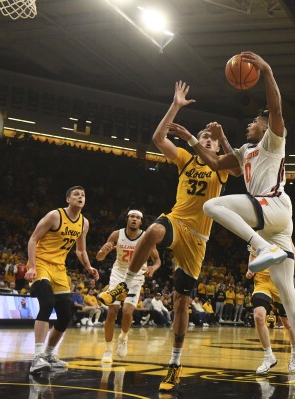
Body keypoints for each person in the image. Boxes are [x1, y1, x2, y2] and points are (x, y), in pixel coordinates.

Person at [166, 51, 295, 397]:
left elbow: (276, 109)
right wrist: (192, 140)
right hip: (276, 220)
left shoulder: (273, 139)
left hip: (273, 207)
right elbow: (217, 162)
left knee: (212, 205)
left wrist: (266, 70)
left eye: (255, 120)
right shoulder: (244, 150)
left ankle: (260, 246)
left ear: (266, 128)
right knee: (287, 291)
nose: (251, 123)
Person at [98, 81, 240, 393]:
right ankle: (124, 283)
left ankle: (174, 364)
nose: (206, 140)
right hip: (176, 220)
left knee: (180, 305)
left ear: (213, 147)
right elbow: (158, 138)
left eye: (209, 140)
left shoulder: (220, 168)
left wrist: (221, 137)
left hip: (197, 238)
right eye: (203, 136)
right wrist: (175, 105)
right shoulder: (186, 161)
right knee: (153, 230)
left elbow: (239, 166)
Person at [25, 186, 99, 373]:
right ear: (67, 199)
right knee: (47, 303)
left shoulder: (84, 223)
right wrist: (32, 266)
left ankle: (49, 355)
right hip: (41, 263)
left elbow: (80, 250)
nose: (80, 197)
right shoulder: (54, 216)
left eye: (83, 195)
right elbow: (33, 239)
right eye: (76, 194)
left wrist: (88, 267)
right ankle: (37, 357)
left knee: (65, 315)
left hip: (59, 268)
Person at [96, 209, 161, 363]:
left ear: (141, 222)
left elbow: (157, 261)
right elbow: (99, 257)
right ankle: (107, 349)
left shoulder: (146, 237)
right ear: (127, 219)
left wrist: (153, 268)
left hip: (136, 277)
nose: (134, 219)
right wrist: (103, 252)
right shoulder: (116, 235)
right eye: (132, 217)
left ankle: (123, 337)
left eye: (137, 218)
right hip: (118, 275)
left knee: (126, 312)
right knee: (112, 311)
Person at [245, 245, 295, 375]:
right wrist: (250, 269)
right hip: (262, 282)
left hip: (279, 281)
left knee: (287, 323)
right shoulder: (256, 235)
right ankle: (269, 356)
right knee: (258, 316)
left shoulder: (283, 232)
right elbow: (252, 256)